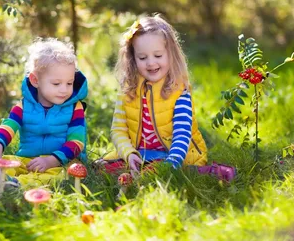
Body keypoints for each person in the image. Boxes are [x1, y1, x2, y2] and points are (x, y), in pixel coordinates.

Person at [96, 15, 236, 182]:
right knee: (101, 167)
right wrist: (129, 154)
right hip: (140, 153)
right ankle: (138, 169)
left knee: (153, 173)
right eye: (142, 57)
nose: (150, 63)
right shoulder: (128, 91)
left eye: (158, 55)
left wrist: (172, 163)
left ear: (171, 54)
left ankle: (209, 171)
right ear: (133, 59)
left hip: (173, 155)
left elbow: (182, 135)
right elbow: (118, 130)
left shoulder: (179, 91)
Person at [0, 38, 88, 189]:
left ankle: (16, 184)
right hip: (27, 159)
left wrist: (51, 160)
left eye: (69, 83)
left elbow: (77, 142)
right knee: (10, 161)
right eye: (56, 84)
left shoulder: (75, 108)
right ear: (35, 80)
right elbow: (9, 125)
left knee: (58, 175)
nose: (64, 90)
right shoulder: (24, 105)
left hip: (61, 162)